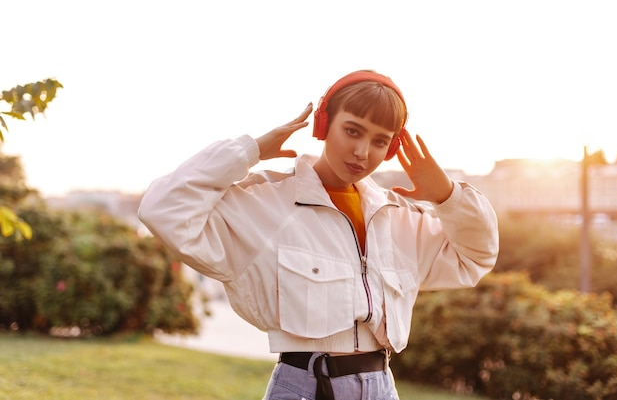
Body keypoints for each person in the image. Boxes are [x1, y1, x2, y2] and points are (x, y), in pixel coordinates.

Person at [138, 70, 499, 400]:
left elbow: (477, 256)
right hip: (303, 388)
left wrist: (447, 196)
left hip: (381, 389)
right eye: (352, 130)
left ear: (391, 148)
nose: (361, 152)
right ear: (324, 124)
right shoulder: (266, 203)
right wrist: (249, 151)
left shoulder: (399, 217)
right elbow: (162, 208)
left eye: (379, 141)